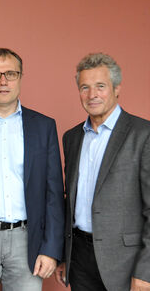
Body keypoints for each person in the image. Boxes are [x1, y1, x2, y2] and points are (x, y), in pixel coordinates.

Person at [0, 48, 64, 291]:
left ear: (21, 77)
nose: (3, 81)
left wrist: (51, 249)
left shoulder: (43, 126)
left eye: (10, 73)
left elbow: (54, 193)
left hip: (27, 240)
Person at [55, 53, 150, 291]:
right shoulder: (72, 137)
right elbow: (70, 201)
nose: (92, 95)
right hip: (80, 258)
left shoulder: (143, 134)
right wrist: (65, 255)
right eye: (84, 87)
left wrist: (145, 271)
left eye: (100, 86)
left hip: (125, 263)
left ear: (117, 89)